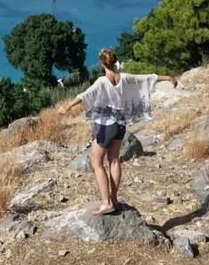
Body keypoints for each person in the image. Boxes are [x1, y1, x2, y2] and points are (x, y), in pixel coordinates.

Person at [61, 47, 178, 215]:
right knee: (114, 160)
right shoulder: (124, 77)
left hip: (105, 126)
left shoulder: (102, 81)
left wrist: (67, 107)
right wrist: (169, 78)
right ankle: (114, 199)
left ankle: (106, 202)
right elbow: (147, 78)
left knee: (96, 163)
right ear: (114, 61)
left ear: (102, 63)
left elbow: (84, 95)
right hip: (120, 125)